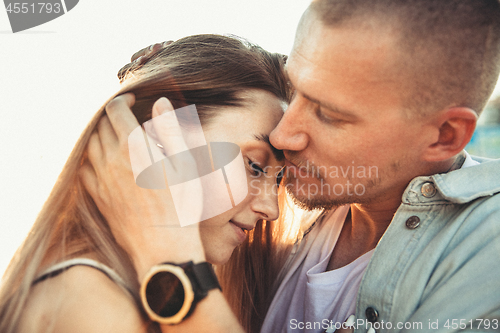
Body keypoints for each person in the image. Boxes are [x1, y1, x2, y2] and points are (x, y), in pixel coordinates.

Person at [90, 0, 500, 332]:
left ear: (445, 134)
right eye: (297, 89)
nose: (285, 136)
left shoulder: (487, 254)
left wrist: (175, 265)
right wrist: (166, 80)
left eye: (328, 113)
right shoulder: (305, 215)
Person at [0, 34, 297, 333]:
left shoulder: (121, 297)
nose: (271, 208)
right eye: (255, 166)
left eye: (279, 179)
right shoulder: (96, 308)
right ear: (157, 139)